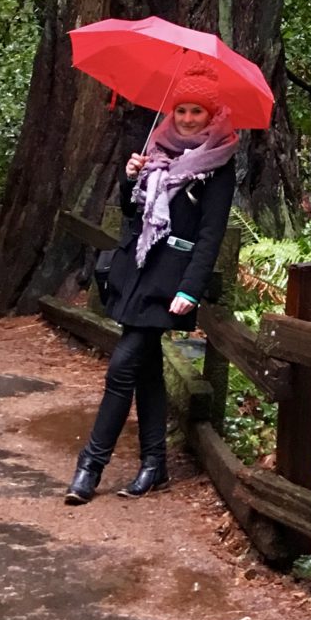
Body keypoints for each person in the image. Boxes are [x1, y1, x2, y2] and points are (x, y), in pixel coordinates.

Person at [64, 61, 238, 505]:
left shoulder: (219, 164)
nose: (185, 119)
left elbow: (210, 235)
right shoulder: (156, 151)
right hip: (136, 271)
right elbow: (132, 213)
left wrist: (189, 289)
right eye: (181, 110)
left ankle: (90, 466)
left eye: (196, 112)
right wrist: (130, 179)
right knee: (145, 371)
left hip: (170, 282)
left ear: (211, 114)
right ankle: (154, 463)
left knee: (121, 367)